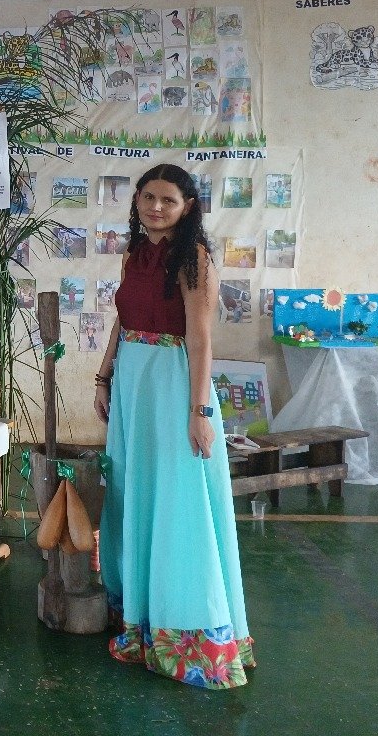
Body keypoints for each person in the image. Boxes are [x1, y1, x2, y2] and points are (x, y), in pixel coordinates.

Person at [93, 163, 254, 689]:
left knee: (176, 500)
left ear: (188, 207)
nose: (156, 207)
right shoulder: (132, 255)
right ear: (136, 200)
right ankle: (139, 620)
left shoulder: (194, 259)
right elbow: (123, 317)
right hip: (132, 383)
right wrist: (104, 374)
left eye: (168, 199)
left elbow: (201, 341)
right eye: (148, 197)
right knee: (134, 495)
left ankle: (187, 633)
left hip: (173, 385)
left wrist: (200, 412)